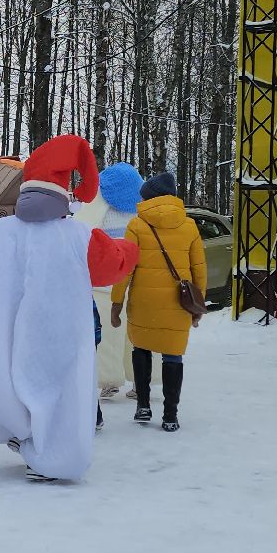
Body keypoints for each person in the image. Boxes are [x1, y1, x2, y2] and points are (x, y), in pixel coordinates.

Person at [0, 135, 139, 482]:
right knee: (59, 394)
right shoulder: (80, 236)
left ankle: (18, 432)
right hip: (61, 333)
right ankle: (54, 458)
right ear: (63, 193)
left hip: (14, 329)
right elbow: (113, 265)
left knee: (13, 381)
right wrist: (131, 247)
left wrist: (8, 302)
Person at [111, 171, 206, 433]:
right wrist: (198, 307)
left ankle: (143, 405)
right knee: (173, 356)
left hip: (144, 302)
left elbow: (126, 268)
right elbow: (199, 270)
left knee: (141, 349)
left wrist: (116, 303)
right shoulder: (189, 226)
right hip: (178, 303)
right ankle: (170, 415)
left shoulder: (137, 225)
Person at [76, 162, 142, 398]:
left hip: (105, 280)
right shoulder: (141, 207)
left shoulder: (96, 205)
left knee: (108, 334)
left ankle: (108, 380)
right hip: (136, 278)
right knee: (136, 333)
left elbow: (83, 236)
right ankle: (140, 380)